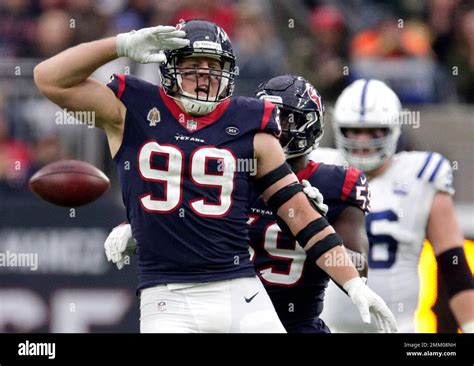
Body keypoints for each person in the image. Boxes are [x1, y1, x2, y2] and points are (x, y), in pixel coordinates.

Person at [35, 18, 396, 333]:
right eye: (193, 67)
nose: (204, 79)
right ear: (169, 66)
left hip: (238, 289)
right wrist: (120, 44)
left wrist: (353, 284)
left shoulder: (250, 122)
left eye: (213, 67)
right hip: (168, 294)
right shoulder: (131, 109)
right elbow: (49, 78)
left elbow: (299, 213)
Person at [311, 79, 474, 333]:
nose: (362, 140)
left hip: (399, 329)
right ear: (338, 129)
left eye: (374, 130)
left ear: (394, 129)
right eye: (353, 130)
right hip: (329, 327)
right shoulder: (318, 168)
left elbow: (454, 264)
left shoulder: (421, 175)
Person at [248, 75, 374, 333]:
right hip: (231, 320)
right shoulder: (234, 172)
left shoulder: (335, 183)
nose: (274, 126)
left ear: (311, 125)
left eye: (285, 118)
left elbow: (359, 269)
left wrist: (316, 231)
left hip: (298, 324)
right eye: (268, 116)